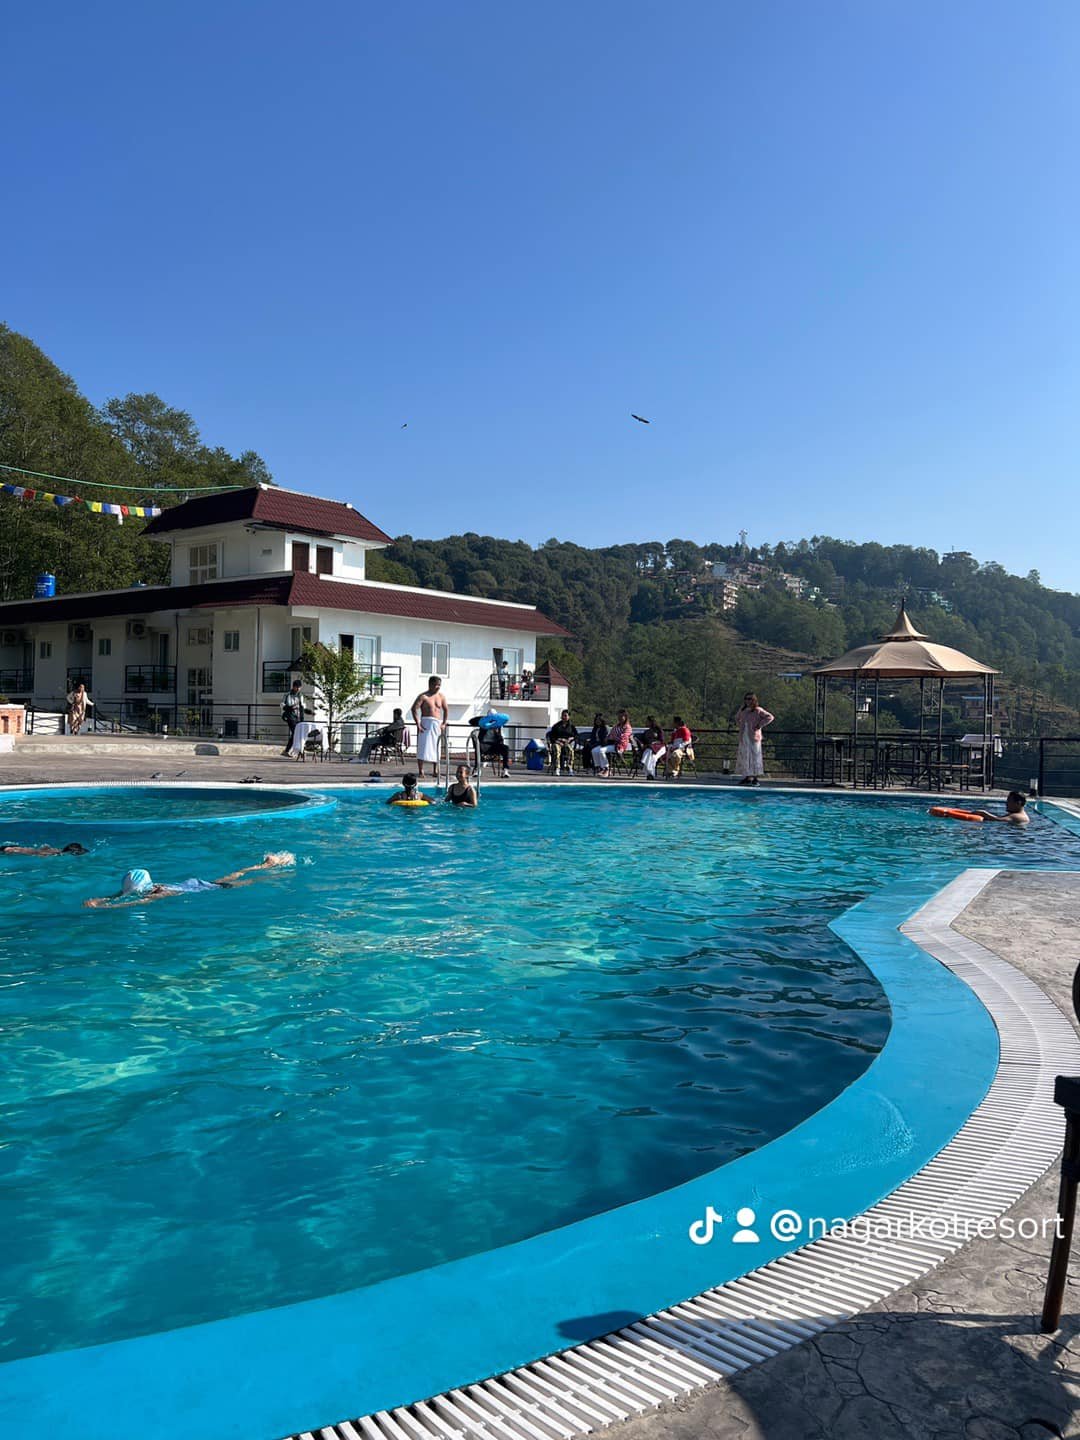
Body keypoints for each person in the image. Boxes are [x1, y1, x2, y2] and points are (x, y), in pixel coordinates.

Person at [84, 853, 294, 907]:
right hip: (195, 883)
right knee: (235, 874)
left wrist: (106, 907)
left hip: (208, 889)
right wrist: (101, 899)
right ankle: (263, 865)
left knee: (250, 882)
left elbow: (135, 903)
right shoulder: (153, 887)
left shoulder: (158, 893)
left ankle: (272, 872)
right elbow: (120, 895)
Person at [412, 676, 450, 779]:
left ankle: (435, 770)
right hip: (426, 722)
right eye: (436, 685)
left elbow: (446, 709)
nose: (438, 687)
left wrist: (444, 723)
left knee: (436, 747)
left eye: (439, 685)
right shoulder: (423, 696)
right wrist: (418, 723)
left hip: (436, 723)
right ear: (430, 684)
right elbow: (414, 709)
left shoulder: (441, 696)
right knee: (423, 747)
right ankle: (421, 770)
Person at [734, 692, 775, 786]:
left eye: (750, 699)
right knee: (745, 756)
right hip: (744, 736)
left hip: (753, 737)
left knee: (755, 756)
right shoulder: (743, 710)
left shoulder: (758, 710)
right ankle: (747, 777)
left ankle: (755, 778)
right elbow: (737, 718)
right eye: (746, 699)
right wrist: (740, 725)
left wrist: (759, 725)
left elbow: (770, 717)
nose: (748, 701)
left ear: (754, 700)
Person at [592, 709, 633, 777]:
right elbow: (611, 735)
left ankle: (606, 769)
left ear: (625, 717)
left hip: (620, 746)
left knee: (601, 751)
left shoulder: (627, 727)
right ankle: (599, 768)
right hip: (612, 744)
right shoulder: (616, 726)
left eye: (621, 717)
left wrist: (614, 738)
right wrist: (608, 739)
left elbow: (623, 738)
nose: (619, 718)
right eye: (618, 716)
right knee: (594, 750)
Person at [280, 680, 307, 756]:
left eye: (299, 687)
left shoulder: (300, 695)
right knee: (296, 733)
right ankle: (300, 751)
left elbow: (302, 707)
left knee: (296, 734)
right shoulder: (287, 695)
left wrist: (303, 718)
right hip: (289, 716)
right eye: (297, 687)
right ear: (293, 687)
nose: (298, 689)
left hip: (298, 717)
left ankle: (287, 751)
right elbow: (282, 705)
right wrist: (290, 708)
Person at [546, 709, 577, 775]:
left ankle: (570, 768)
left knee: (571, 750)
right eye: (563, 715)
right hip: (557, 742)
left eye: (565, 716)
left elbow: (576, 735)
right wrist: (557, 741)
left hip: (566, 743)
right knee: (557, 750)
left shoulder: (571, 726)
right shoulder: (556, 726)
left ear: (569, 717)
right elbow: (551, 736)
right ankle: (557, 768)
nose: (564, 717)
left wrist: (571, 738)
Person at [639, 715, 667, 780]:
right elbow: (644, 741)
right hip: (650, 749)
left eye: (647, 721)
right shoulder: (646, 732)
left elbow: (662, 741)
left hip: (660, 748)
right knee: (652, 757)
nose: (646, 722)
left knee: (649, 752)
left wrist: (654, 743)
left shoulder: (658, 730)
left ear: (651, 722)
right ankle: (651, 775)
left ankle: (643, 763)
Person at [0, 841, 88, 856]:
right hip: (27, 851)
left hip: (27, 850)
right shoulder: (57, 853)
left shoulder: (58, 851)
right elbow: (40, 854)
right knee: (11, 850)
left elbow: (44, 847)